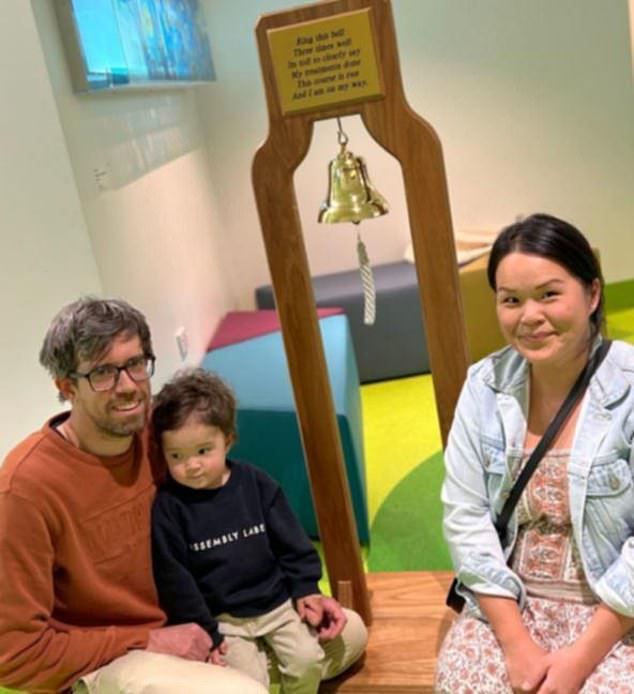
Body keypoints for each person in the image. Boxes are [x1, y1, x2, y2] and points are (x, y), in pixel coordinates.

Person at [0, 297, 267, 693]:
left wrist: (299, 590)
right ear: (66, 387)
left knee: (345, 636)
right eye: (104, 373)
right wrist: (147, 640)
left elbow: (231, 505)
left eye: (136, 364)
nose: (128, 387)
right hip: (113, 654)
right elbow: (13, 655)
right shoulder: (24, 490)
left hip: (195, 613)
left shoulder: (161, 434)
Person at [435, 214, 634, 693]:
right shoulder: (483, 386)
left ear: (592, 294)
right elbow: (466, 516)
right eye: (511, 300)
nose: (529, 316)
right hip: (511, 600)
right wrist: (516, 643)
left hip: (617, 609)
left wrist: (580, 660)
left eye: (549, 294)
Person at [151, 368, 368, 694]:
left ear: (228, 439)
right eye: (176, 456)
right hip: (226, 621)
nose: (191, 465)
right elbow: (176, 581)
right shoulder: (169, 507)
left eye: (203, 451)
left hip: (278, 606)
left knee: (309, 658)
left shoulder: (256, 483)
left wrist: (306, 587)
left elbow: (292, 543)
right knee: (247, 684)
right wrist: (208, 632)